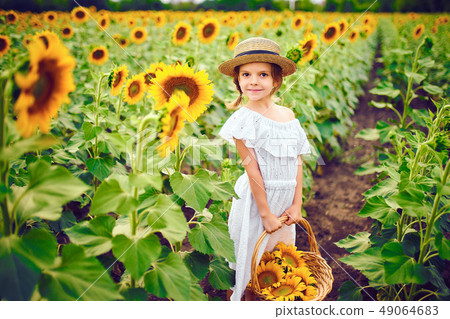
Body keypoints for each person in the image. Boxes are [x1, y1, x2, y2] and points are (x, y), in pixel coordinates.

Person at [218, 37, 311, 301]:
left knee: (278, 262)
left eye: (262, 74)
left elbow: (297, 161)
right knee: (247, 262)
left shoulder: (288, 116)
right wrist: (266, 214)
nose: (254, 81)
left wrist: (297, 204)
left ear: (276, 80)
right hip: (256, 202)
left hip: (284, 200)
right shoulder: (243, 121)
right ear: (237, 81)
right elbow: (253, 171)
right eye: (246, 74)